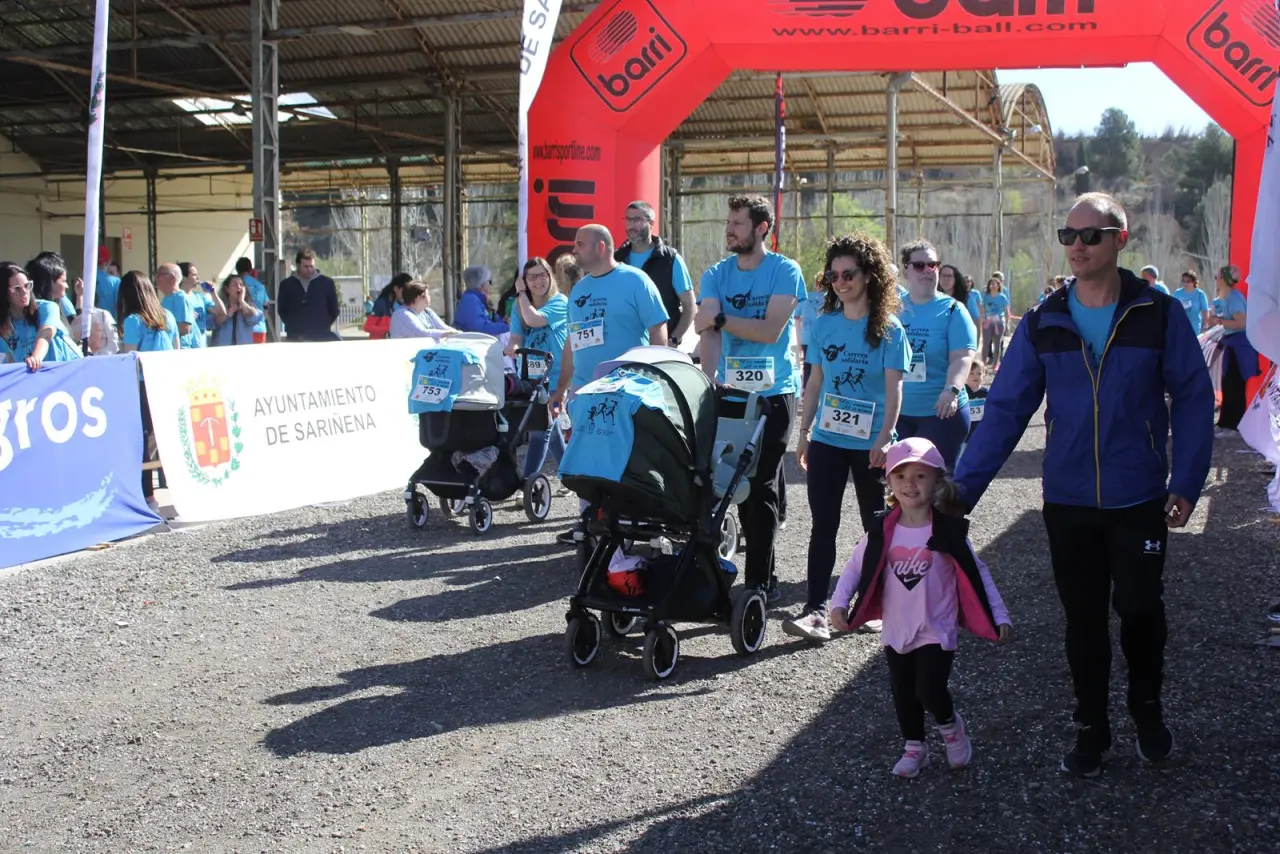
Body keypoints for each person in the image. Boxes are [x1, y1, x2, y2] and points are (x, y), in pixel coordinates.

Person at [954, 191, 1214, 778]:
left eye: (1090, 236)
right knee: (1084, 619)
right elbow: (1005, 411)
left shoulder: (1158, 313)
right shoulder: (1044, 320)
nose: (1076, 245)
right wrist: (960, 492)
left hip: (1140, 496)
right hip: (1069, 501)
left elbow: (1194, 397)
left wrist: (1187, 479)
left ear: (1120, 239)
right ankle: (1092, 727)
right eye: (1067, 235)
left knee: (1141, 608)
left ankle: (1147, 711)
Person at [829, 437, 1012, 778]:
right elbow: (854, 567)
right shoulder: (881, 531)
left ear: (937, 481)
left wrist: (998, 614)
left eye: (920, 476)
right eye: (900, 476)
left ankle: (951, 727)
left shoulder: (947, 531)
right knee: (903, 691)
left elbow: (978, 573)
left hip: (936, 626)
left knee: (929, 689)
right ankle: (915, 748)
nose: (909, 484)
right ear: (889, 482)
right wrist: (839, 602)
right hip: (897, 627)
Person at [782, 232, 910, 643]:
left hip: (871, 445)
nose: (840, 282)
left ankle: (871, 605)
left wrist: (885, 438)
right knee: (823, 525)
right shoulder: (823, 324)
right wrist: (804, 433)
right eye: (833, 275)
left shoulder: (889, 330)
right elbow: (814, 382)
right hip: (827, 440)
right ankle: (815, 611)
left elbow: (894, 390)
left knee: (875, 526)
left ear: (869, 275)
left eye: (848, 274)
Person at [693, 195, 805, 603]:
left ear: (761, 229)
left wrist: (722, 318)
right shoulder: (716, 274)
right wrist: (707, 382)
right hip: (731, 392)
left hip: (775, 392)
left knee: (759, 485)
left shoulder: (785, 270)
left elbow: (770, 330)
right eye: (728, 222)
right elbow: (706, 330)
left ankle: (759, 580)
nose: (729, 229)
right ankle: (725, 569)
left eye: (738, 223)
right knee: (728, 479)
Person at [549, 225, 669, 545]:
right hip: (584, 393)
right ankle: (589, 522)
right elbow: (572, 342)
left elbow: (658, 329)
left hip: (627, 390)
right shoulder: (579, 290)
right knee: (586, 458)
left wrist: (656, 375)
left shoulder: (635, 281)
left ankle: (630, 525)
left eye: (580, 244)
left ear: (601, 247)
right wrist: (561, 388)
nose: (574, 250)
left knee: (625, 458)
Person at [894, 239, 976, 471]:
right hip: (897, 414)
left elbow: (962, 357)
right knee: (900, 484)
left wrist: (951, 390)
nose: (927, 270)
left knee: (937, 485)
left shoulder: (953, 310)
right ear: (905, 270)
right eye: (919, 265)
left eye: (933, 265)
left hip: (940, 414)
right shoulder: (891, 310)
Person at [117, 271, 180, 512]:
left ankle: (149, 496)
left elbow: (130, 359)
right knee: (167, 438)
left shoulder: (133, 321)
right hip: (167, 382)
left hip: (143, 385)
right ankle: (176, 490)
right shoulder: (168, 316)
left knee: (143, 441)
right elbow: (177, 351)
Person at [507, 256, 570, 482]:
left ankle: (527, 482)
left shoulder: (559, 301)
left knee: (540, 431)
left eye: (542, 275)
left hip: (555, 377)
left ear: (550, 277)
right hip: (530, 378)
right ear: (524, 280)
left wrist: (521, 293)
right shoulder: (519, 307)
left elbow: (534, 320)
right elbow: (516, 336)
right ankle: (570, 475)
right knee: (549, 430)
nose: (538, 281)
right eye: (532, 277)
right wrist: (513, 347)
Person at [614, 200, 696, 346]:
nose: (631, 225)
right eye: (628, 220)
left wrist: (674, 339)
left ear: (651, 223)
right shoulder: (616, 259)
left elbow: (690, 307)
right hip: (623, 348)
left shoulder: (670, 259)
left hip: (659, 348)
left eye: (637, 220)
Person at [1, 261, 82, 370]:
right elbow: (8, 359)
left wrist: (35, 358)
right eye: (17, 289)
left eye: (27, 286)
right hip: (37, 374)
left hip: (70, 369)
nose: (25, 292)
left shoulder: (48, 307)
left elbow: (46, 334)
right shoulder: (4, 324)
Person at [1214, 264, 1257, 436]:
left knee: (1235, 386)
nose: (1216, 280)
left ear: (1224, 279)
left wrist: (1218, 321)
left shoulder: (1235, 298)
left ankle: (1234, 425)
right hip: (1232, 345)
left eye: (1218, 277)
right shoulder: (1227, 297)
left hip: (1239, 346)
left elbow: (1240, 323)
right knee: (1228, 384)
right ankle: (1226, 422)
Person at [277, 248, 340, 341]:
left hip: (321, 336)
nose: (309, 269)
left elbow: (334, 309)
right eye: (306, 267)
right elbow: (282, 310)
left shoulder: (327, 283)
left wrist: (323, 325)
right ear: (298, 265)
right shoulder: (287, 285)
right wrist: (293, 326)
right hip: (295, 337)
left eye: (311, 266)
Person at [157, 263, 203, 350]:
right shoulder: (167, 298)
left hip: (182, 351)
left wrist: (158, 331)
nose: (156, 278)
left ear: (172, 278)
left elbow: (184, 329)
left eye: (160, 274)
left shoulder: (181, 298)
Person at [210, 273, 264, 347]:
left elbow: (254, 319)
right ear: (227, 289)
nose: (239, 287)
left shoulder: (249, 306)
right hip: (222, 349)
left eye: (241, 285)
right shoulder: (219, 307)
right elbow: (212, 323)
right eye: (235, 285)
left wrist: (242, 301)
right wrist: (227, 314)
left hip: (243, 349)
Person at [390, 281, 456, 340]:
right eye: (428, 294)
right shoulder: (401, 314)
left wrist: (458, 333)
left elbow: (443, 327)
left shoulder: (427, 311)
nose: (429, 297)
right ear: (418, 298)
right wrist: (449, 334)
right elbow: (421, 333)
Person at [455, 265, 510, 336]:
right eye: (489, 282)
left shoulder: (477, 299)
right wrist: (507, 327)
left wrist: (504, 321)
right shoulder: (471, 300)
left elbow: (491, 320)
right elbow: (480, 329)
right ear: (482, 284)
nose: (490, 285)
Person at [795, 272, 825, 391]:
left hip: (807, 338)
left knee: (808, 367)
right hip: (822, 339)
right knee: (823, 367)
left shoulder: (805, 298)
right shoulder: (832, 299)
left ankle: (807, 393)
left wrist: (798, 341)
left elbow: (796, 318)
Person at [178, 262, 218, 347]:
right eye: (194, 275)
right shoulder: (176, 298)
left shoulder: (200, 297)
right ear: (183, 277)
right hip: (184, 346)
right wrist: (187, 317)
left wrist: (213, 293)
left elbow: (221, 312)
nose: (198, 277)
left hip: (201, 343)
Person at [235, 257, 271, 343]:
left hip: (241, 330)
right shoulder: (260, 286)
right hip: (260, 328)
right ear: (251, 270)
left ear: (237, 270)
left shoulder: (235, 285)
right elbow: (266, 307)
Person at [979, 277, 1010, 368]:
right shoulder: (986, 296)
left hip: (999, 322)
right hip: (987, 322)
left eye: (994, 283)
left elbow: (1006, 311)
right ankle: (983, 363)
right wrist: (982, 319)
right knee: (986, 343)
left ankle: (995, 364)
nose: (993, 285)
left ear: (998, 286)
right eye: (991, 284)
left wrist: (1006, 323)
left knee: (997, 344)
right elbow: (982, 308)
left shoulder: (1002, 297)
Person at [940, 263, 980, 330]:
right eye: (943, 276)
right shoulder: (933, 298)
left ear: (955, 279)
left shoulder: (967, 298)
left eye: (949, 276)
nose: (946, 279)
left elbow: (976, 320)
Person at [1173, 269, 1211, 335]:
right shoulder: (1177, 293)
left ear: (1193, 282)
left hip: (1194, 329)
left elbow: (1205, 311)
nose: (1185, 283)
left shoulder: (1200, 294)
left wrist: (1205, 326)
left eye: (1188, 281)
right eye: (1183, 281)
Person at [94, 245, 121, 321]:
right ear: (109, 261)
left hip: (90, 322)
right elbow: (119, 306)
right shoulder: (116, 281)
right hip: (110, 322)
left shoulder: (86, 279)